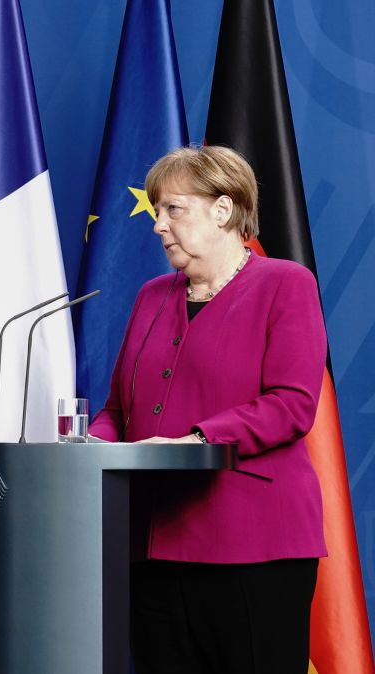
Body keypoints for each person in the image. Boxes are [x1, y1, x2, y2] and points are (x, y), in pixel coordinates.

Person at [87, 145, 326, 673]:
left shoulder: (285, 284)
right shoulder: (151, 295)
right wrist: (87, 448)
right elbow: (118, 411)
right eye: (156, 211)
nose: (158, 225)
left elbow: (292, 404)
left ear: (223, 210)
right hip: (152, 544)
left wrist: (197, 441)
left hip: (254, 544)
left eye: (174, 209)